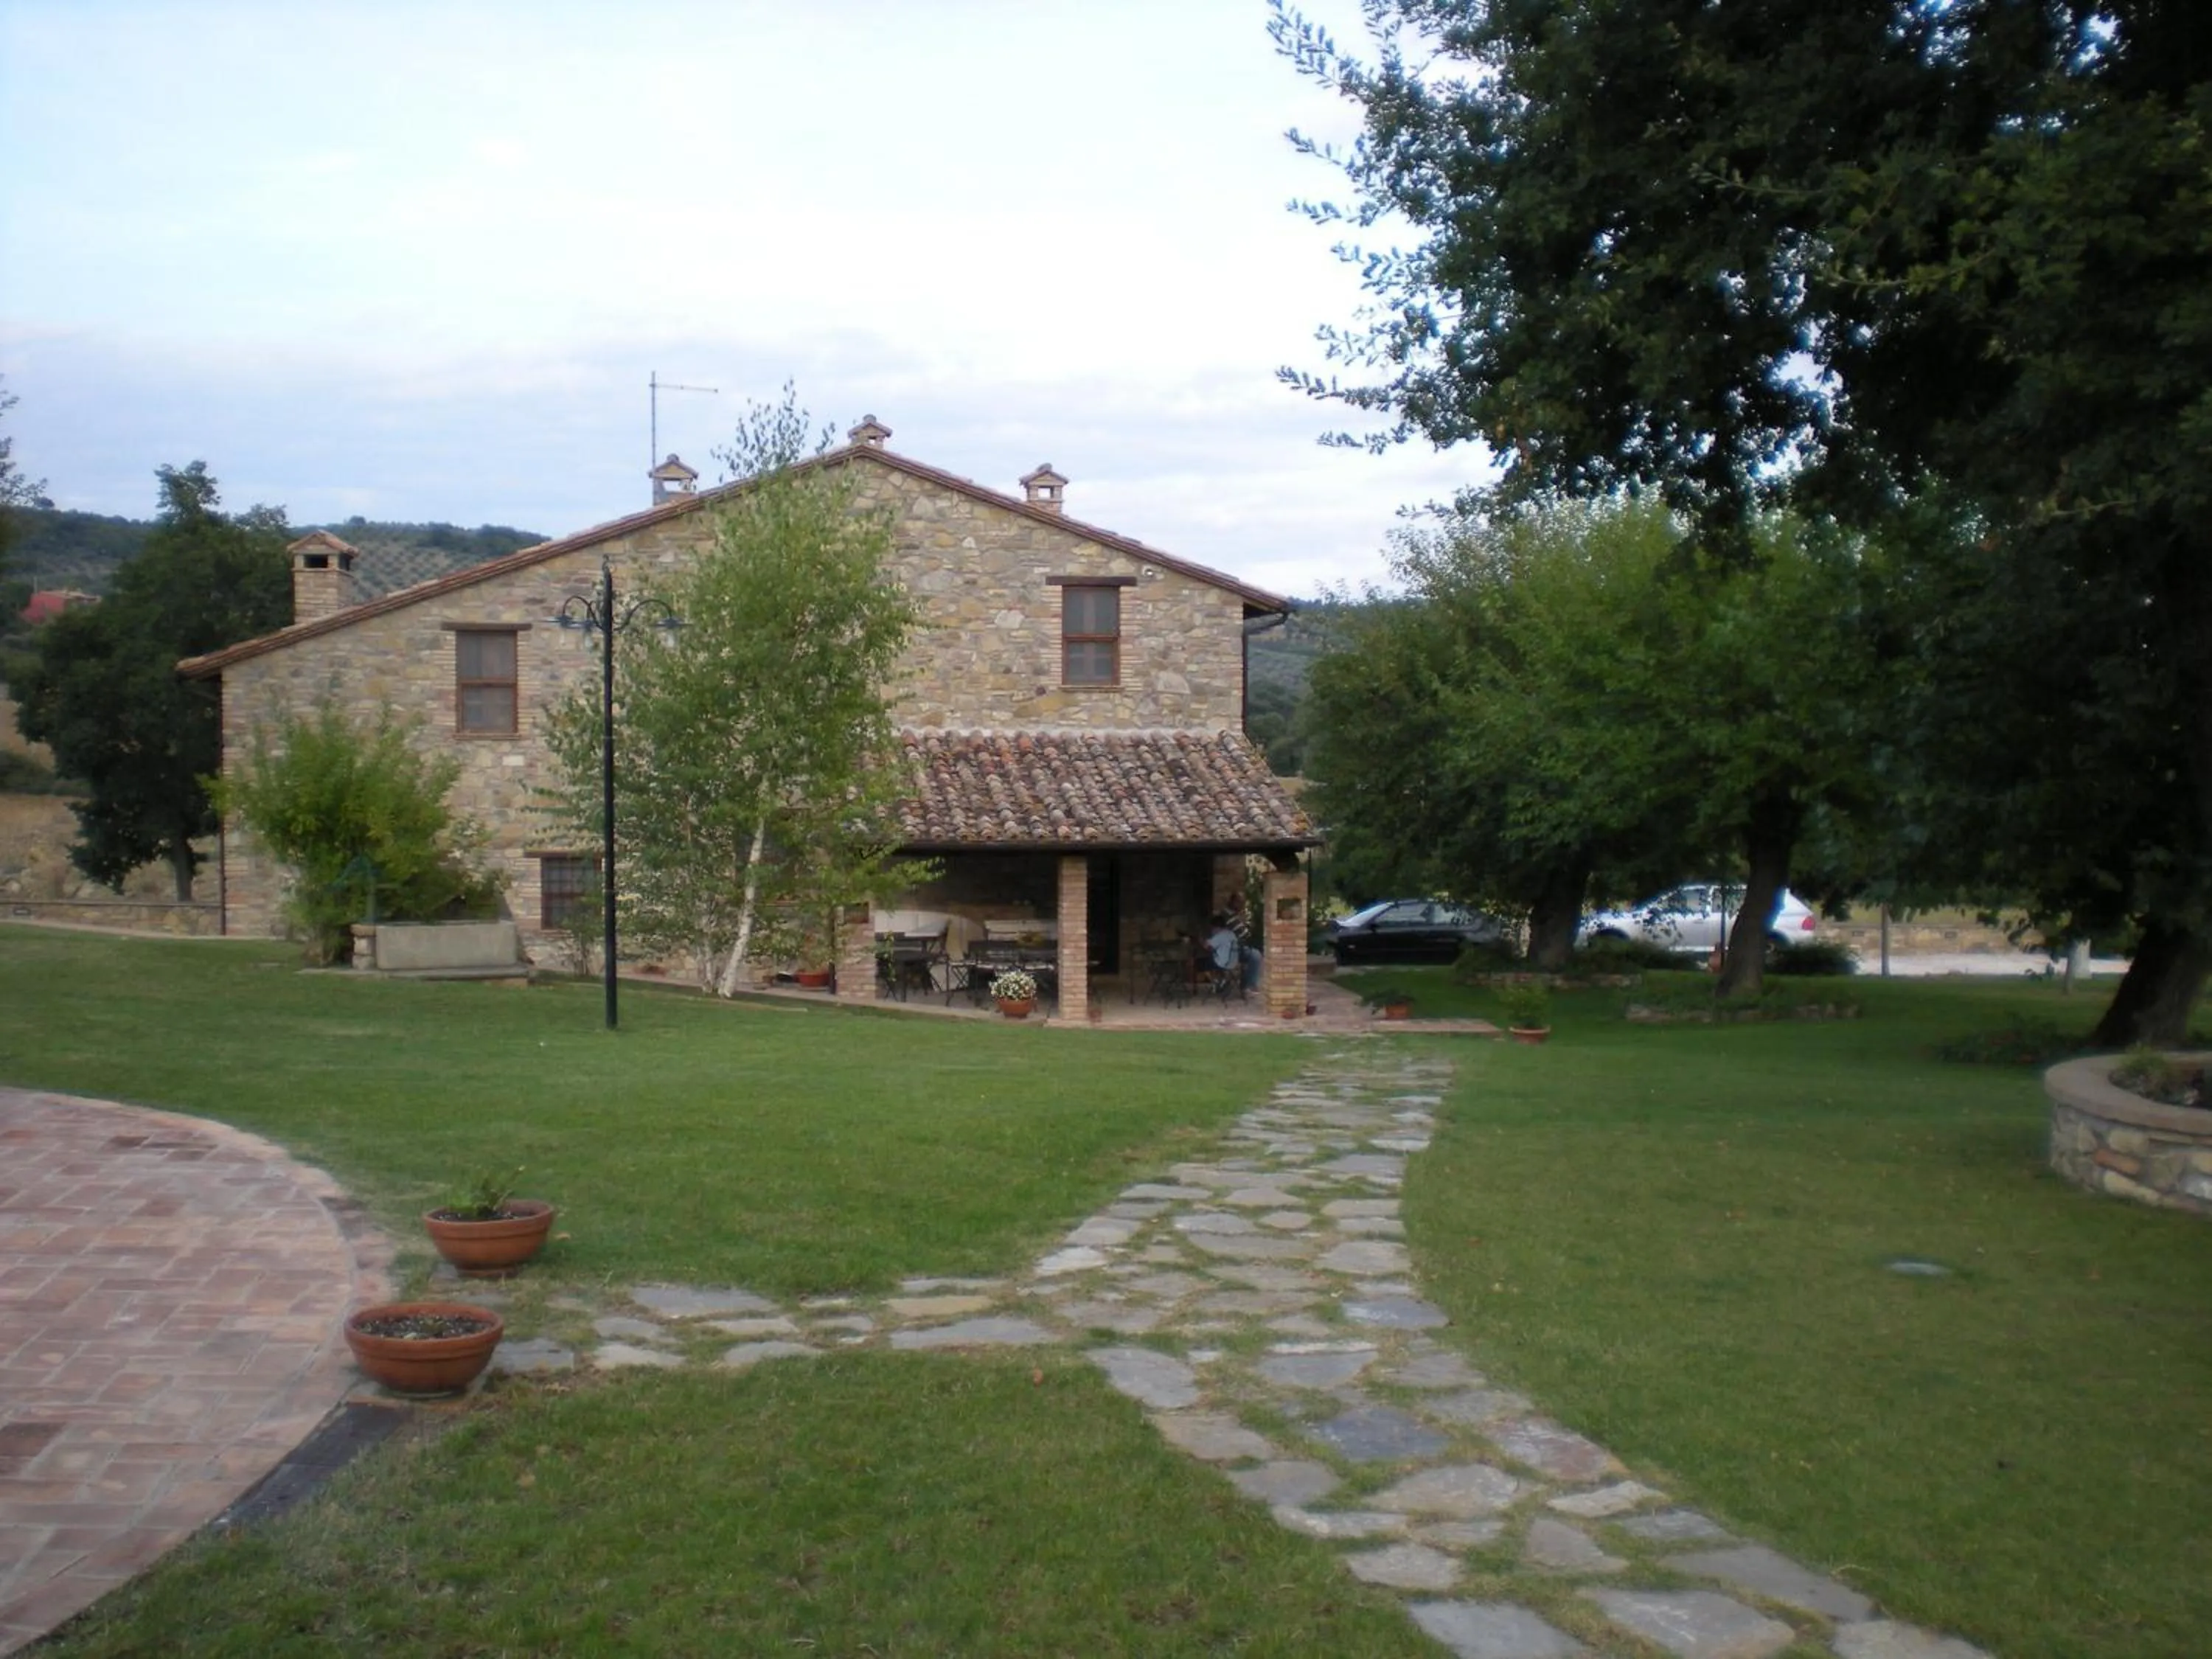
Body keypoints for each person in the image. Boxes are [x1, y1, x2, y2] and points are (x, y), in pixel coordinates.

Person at [1206, 911, 1262, 994]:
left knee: (1205, 963)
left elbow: (1207, 946)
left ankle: (1219, 982)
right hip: (1233, 962)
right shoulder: (1231, 934)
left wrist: (1200, 940)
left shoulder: (1219, 936)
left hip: (1223, 963)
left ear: (1215, 927)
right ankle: (1224, 982)